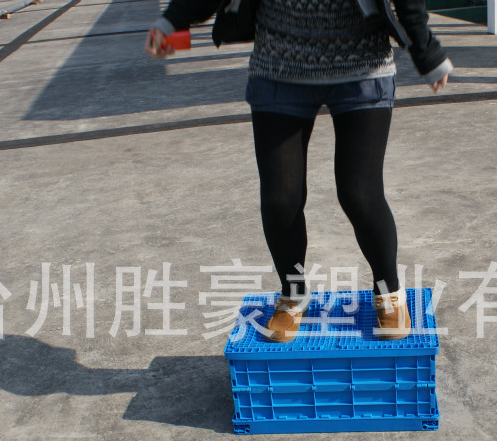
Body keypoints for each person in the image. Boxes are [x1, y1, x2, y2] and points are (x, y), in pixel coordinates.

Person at [145, 0, 452, 343]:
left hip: (363, 65)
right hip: (278, 66)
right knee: (281, 199)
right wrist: (172, 21)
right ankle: (293, 294)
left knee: (360, 194)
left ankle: (388, 292)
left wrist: (426, 50)